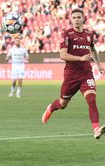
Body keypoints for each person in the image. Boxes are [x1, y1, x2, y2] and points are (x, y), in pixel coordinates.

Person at [42, 8, 105, 139]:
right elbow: (62, 55)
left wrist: (98, 65)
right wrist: (80, 58)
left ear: (83, 18)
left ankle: (96, 129)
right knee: (63, 103)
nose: (76, 19)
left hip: (86, 73)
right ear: (71, 20)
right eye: (74, 17)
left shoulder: (89, 34)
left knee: (91, 99)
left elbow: (93, 50)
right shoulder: (67, 34)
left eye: (78, 17)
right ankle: (51, 108)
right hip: (71, 75)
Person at [6, 33, 29, 98]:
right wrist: (7, 58)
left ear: (20, 41)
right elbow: (8, 56)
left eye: (18, 40)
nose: (17, 41)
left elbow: (27, 56)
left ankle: (18, 93)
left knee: (20, 80)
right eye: (16, 40)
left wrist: (27, 58)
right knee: (14, 81)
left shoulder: (23, 49)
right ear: (14, 41)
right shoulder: (12, 49)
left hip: (21, 65)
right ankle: (12, 91)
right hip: (14, 65)